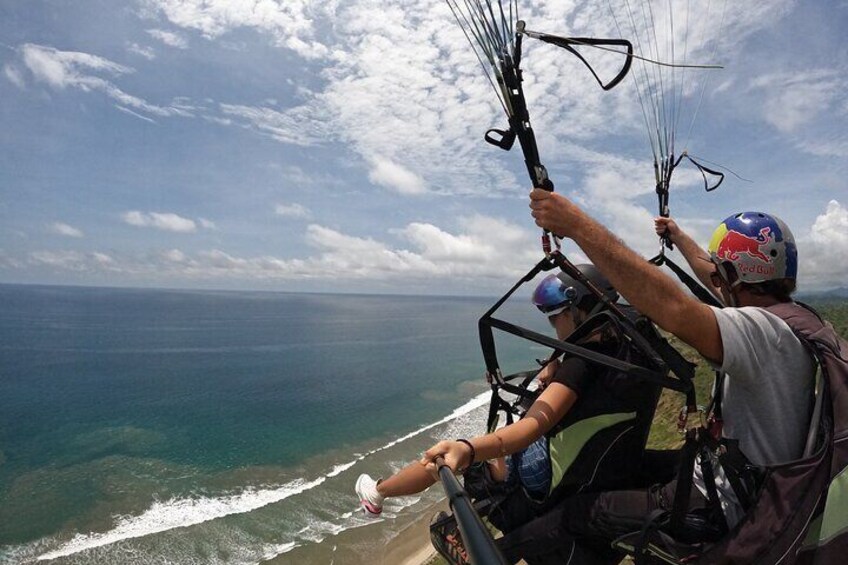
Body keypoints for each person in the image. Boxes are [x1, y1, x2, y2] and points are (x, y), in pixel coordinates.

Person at [462, 192, 816, 563]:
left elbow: (674, 307)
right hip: (757, 480)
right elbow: (714, 279)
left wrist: (576, 225)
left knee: (575, 514)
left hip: (724, 503)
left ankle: (486, 556)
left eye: (719, 273)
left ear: (731, 276)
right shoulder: (795, 324)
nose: (714, 281)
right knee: (627, 466)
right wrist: (677, 236)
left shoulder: (760, 333)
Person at [355, 265, 660, 529]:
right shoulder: (622, 348)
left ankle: (378, 493)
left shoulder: (580, 367)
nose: (553, 326)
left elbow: (529, 430)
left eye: (555, 318)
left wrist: (468, 448)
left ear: (576, 310)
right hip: (596, 456)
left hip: (539, 464)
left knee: (441, 461)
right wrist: (556, 362)